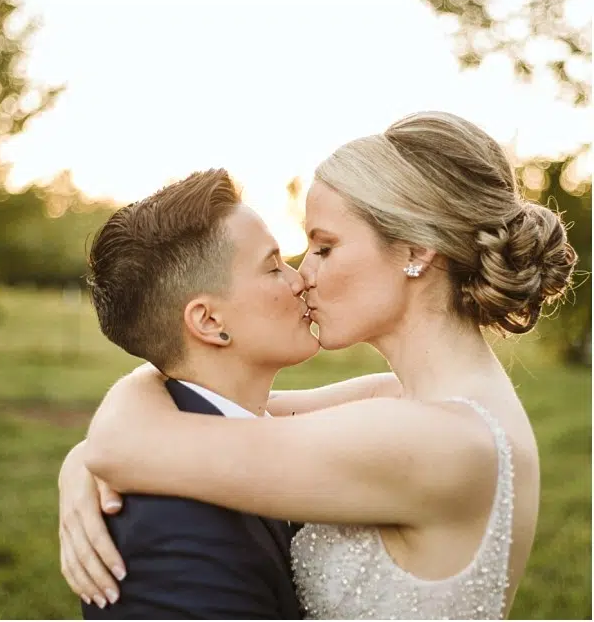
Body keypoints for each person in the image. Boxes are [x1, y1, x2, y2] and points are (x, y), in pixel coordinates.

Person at [59, 111, 578, 619]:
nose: (303, 275)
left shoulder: (441, 440)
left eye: (324, 247)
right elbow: (227, 410)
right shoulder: (404, 399)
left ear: (416, 251)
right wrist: (82, 458)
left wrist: (90, 457)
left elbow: (129, 444)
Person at [63, 167, 401, 618]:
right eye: (273, 266)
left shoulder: (219, 431)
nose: (300, 279)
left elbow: (398, 393)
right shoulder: (172, 529)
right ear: (209, 322)